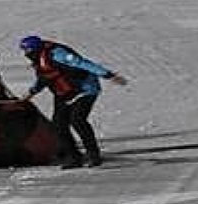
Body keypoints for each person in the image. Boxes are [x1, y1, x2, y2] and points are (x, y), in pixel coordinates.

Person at [18, 35, 127, 169]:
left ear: (34, 49)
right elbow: (44, 78)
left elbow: (82, 63)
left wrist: (108, 75)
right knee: (58, 125)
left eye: (27, 51)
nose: (26, 54)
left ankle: (93, 155)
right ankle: (73, 157)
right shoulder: (40, 59)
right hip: (64, 92)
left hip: (84, 89)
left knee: (78, 119)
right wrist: (31, 93)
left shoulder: (58, 54)